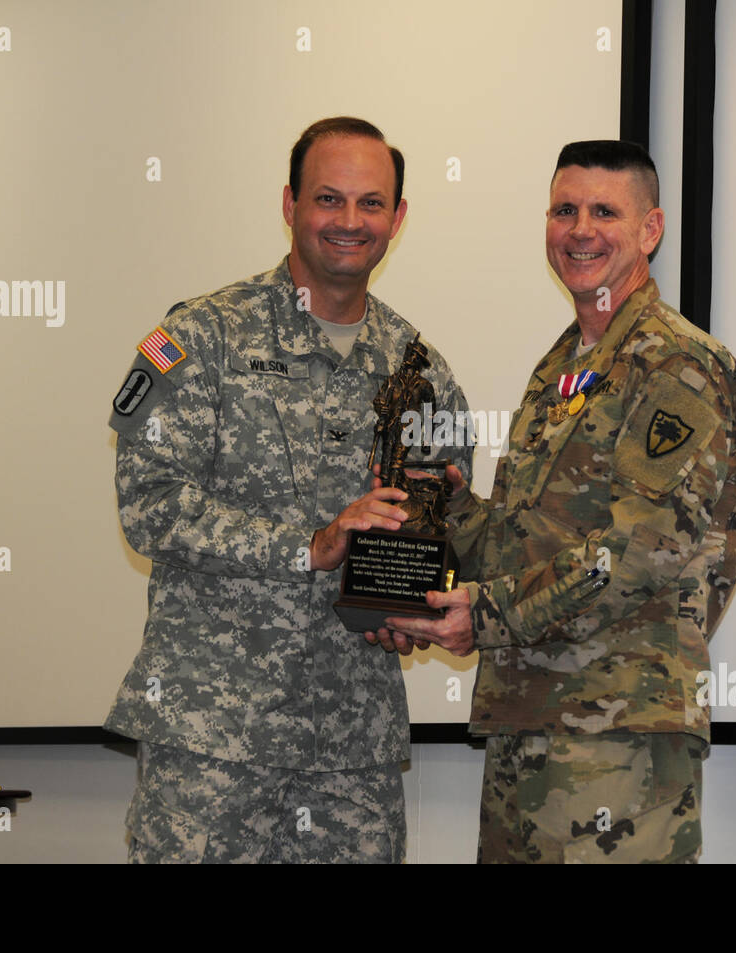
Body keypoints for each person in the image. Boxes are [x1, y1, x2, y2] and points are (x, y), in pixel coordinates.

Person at [368, 140, 736, 863]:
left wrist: (484, 614)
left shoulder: (676, 365)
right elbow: (529, 548)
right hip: (532, 726)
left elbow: (638, 553)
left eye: (604, 212)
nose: (580, 229)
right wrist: (446, 507)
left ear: (650, 230)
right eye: (564, 210)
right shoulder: (562, 369)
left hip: (616, 741)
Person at [105, 117, 470, 863]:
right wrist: (311, 546)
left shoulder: (421, 371)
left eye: (372, 204)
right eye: (328, 199)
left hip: (352, 749)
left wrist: (410, 608)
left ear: (397, 219)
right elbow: (150, 502)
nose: (349, 221)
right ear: (290, 204)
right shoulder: (203, 337)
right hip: (213, 740)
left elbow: (436, 525)